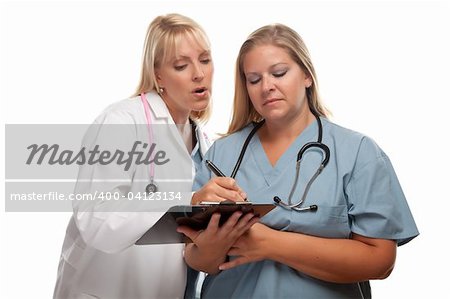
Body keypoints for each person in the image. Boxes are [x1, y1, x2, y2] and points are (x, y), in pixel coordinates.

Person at [177, 23, 419, 298]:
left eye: (279, 73)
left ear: (306, 75)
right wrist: (208, 244)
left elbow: (381, 261)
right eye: (254, 80)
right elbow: (198, 260)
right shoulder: (222, 155)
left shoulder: (357, 153)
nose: (267, 87)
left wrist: (270, 243)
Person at [54, 13, 216, 299]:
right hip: (105, 290)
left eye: (204, 60)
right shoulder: (121, 122)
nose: (198, 73)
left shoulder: (205, 142)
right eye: (181, 65)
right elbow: (95, 217)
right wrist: (188, 203)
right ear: (158, 76)